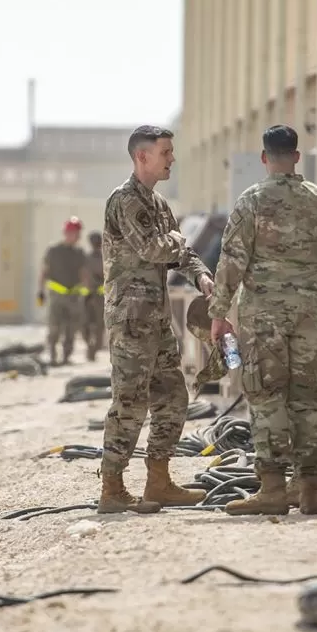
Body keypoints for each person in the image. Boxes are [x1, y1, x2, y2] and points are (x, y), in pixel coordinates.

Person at [209, 125, 317, 516]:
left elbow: (232, 261)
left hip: (264, 316)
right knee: (310, 398)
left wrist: (218, 313)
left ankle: (272, 488)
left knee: (267, 395)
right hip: (313, 315)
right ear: (296, 156)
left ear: (264, 157)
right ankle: (311, 490)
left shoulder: (252, 200)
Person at [98, 124, 213, 515]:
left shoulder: (158, 204)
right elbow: (154, 248)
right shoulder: (125, 201)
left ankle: (158, 482)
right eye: (166, 152)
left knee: (173, 397)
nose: (172, 159)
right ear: (142, 156)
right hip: (131, 319)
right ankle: (112, 488)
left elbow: (181, 251)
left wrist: (201, 275)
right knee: (130, 402)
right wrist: (178, 242)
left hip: (157, 320)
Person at [39, 216, 90, 365]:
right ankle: (52, 356)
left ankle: (66, 356)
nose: (77, 236)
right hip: (56, 296)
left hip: (74, 295)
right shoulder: (53, 251)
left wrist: (87, 293)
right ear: (67, 233)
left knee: (71, 328)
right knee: (54, 327)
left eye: (78, 233)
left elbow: (84, 274)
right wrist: (40, 291)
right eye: (74, 233)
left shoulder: (80, 252)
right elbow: (44, 272)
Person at [81, 231, 106, 360]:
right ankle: (91, 346)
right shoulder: (86, 259)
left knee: (99, 325)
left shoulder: (105, 258)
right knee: (85, 324)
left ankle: (94, 349)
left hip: (100, 297)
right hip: (87, 296)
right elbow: (82, 276)